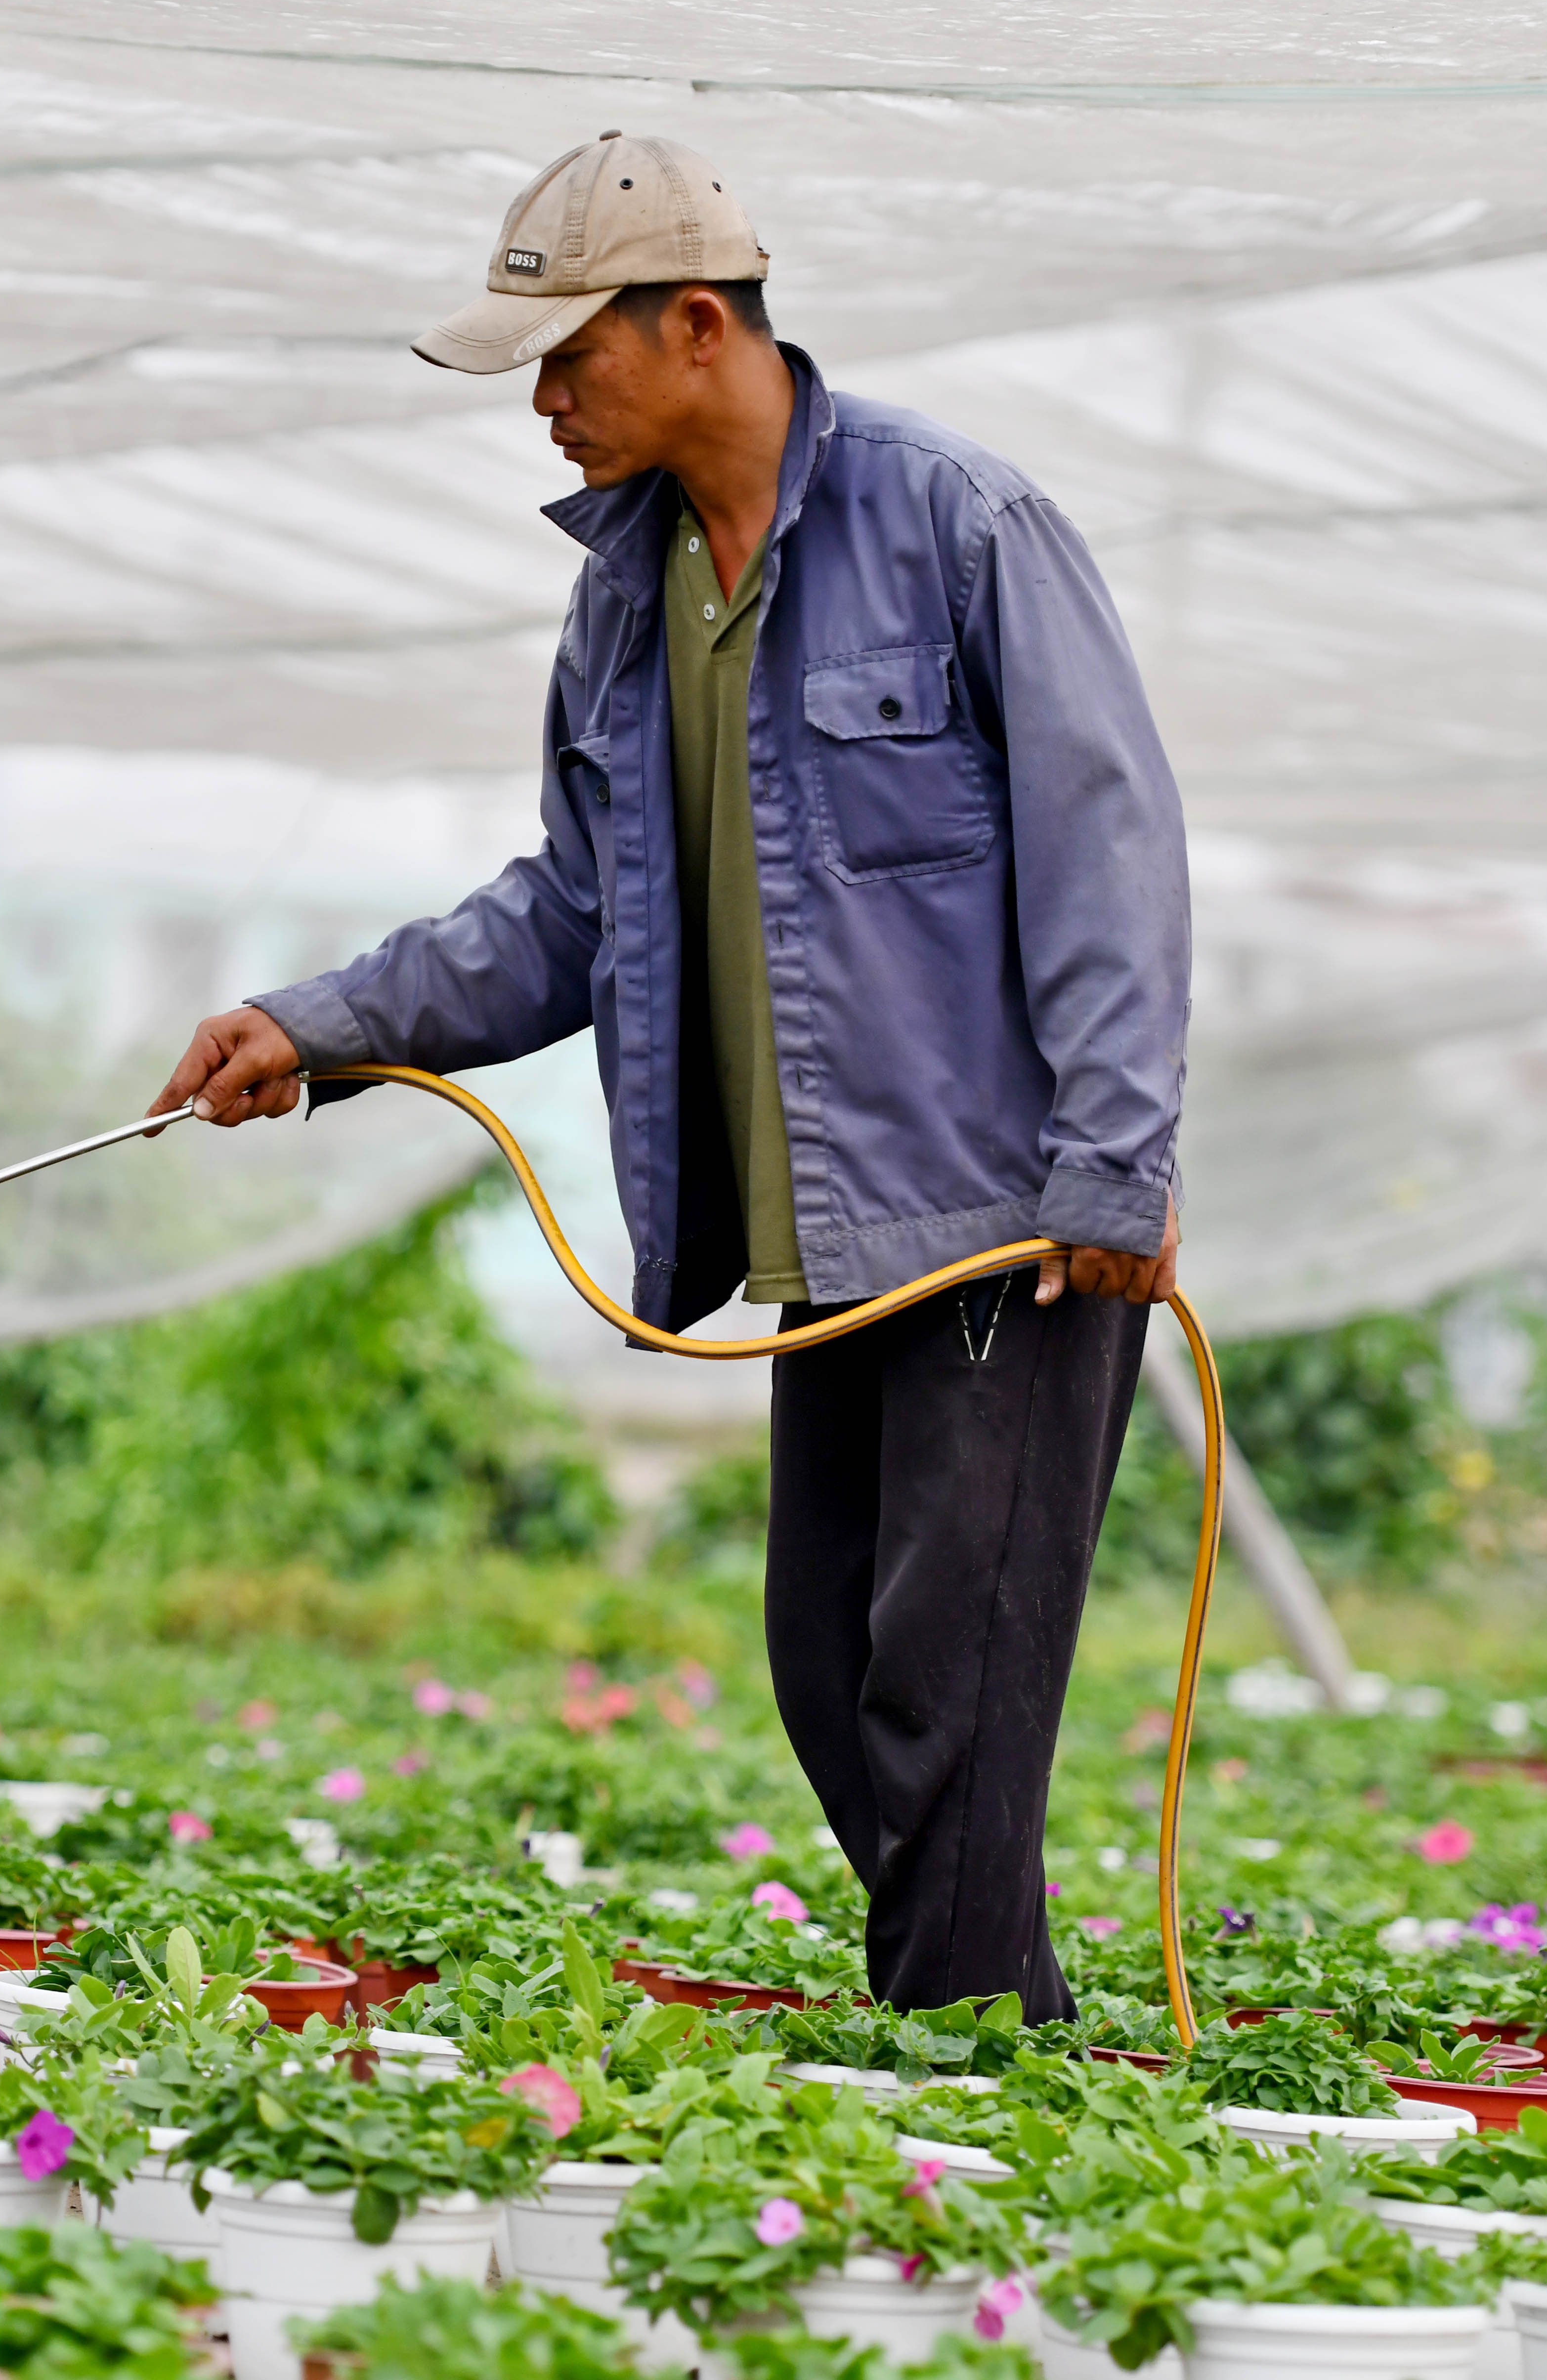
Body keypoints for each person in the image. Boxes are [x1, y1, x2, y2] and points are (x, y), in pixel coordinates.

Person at [145, 134, 1187, 2020]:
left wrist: (1112, 1169)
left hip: (1003, 1236)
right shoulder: (629, 597)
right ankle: (1010, 2052)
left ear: (696, 323)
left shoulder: (959, 525)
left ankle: (969, 2082)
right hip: (823, 1245)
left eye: (566, 357)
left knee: (944, 1692)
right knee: (828, 1669)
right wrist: (322, 1027)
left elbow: (1106, 851)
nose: (542, 403)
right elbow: (571, 909)